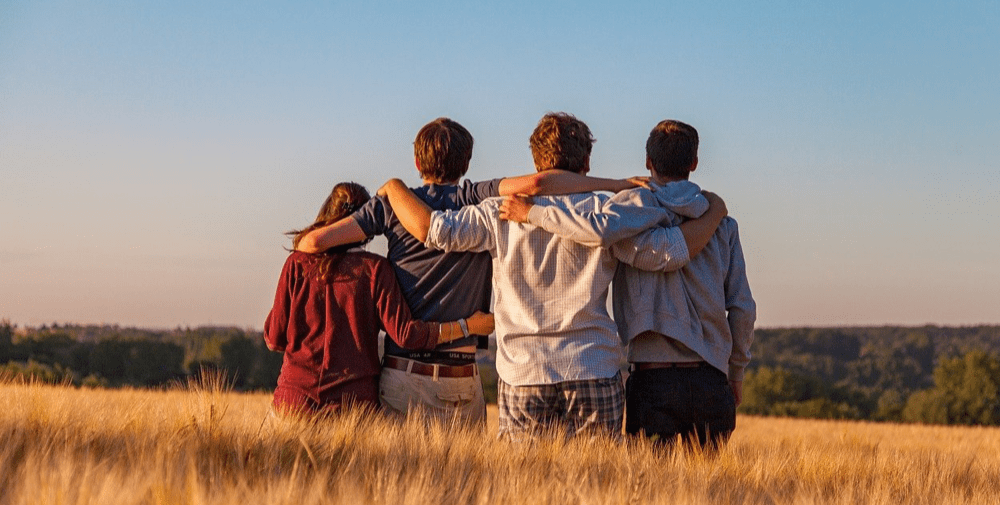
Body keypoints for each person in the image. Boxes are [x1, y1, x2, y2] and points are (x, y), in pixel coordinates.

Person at [378, 112, 727, 440]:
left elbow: (435, 231)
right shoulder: (607, 212)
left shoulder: (497, 212)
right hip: (592, 365)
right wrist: (714, 214)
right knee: (599, 484)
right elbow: (667, 253)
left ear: (535, 161)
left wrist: (394, 188)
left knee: (523, 485)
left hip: (523, 372)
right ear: (586, 163)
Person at [294, 117, 647, 426]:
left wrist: (389, 192)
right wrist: (614, 185)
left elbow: (312, 244)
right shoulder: (477, 197)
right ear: (467, 162)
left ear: (417, 161)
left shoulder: (392, 205)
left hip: (404, 373)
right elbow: (539, 185)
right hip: (463, 377)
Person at [502, 120, 756, 449]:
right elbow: (742, 307)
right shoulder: (723, 225)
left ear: (648, 161)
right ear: (693, 163)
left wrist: (533, 213)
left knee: (647, 490)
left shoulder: (626, 212)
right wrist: (736, 371)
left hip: (652, 378)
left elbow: (597, 231)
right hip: (711, 378)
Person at [264, 182, 494, 417]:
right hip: (353, 408)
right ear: (365, 223)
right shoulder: (375, 270)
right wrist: (467, 326)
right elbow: (406, 335)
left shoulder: (296, 264)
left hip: (293, 403)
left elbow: (274, 339)